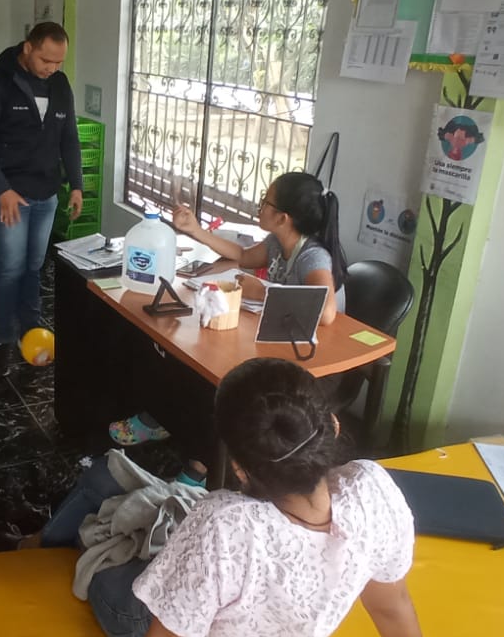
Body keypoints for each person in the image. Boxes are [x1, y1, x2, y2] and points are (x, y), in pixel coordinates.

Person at [0, 358, 427, 637]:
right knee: (105, 478)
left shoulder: (226, 524)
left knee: (99, 531)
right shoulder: (371, 488)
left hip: (142, 622)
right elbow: (392, 606)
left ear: (239, 469)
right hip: (201, 602)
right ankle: (45, 538)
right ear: (332, 425)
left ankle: (48, 544)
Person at [108, 171, 348, 454]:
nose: (260, 207)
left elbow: (327, 313)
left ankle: (203, 460)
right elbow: (243, 256)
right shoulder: (277, 243)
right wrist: (196, 230)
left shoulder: (312, 256)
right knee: (193, 353)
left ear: (283, 218)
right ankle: (170, 421)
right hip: (282, 338)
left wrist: (263, 291)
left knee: (223, 374)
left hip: (314, 359)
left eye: (265, 202)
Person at [0, 22, 87, 376]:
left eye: (59, 62)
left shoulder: (60, 85)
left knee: (34, 267)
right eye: (46, 60)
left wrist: (76, 185)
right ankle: (2, 341)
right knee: (10, 268)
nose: (52, 68)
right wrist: (2, 189)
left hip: (45, 190)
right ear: (27, 48)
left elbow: (69, 137)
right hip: (4, 192)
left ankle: (30, 331)